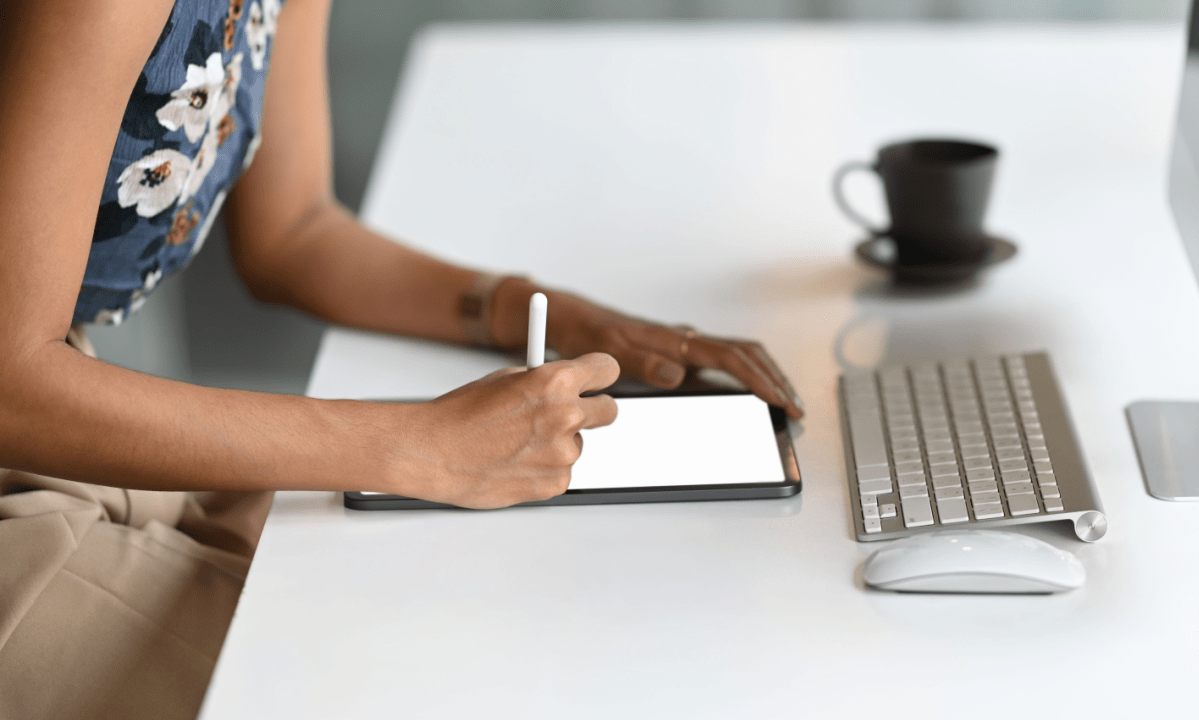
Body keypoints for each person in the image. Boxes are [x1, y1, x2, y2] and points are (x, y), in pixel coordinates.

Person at [0, 0, 803, 717]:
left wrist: (558, 315)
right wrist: (422, 445)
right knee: (412, 668)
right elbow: (13, 386)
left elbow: (294, 233)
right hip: (33, 431)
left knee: (430, 593)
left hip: (68, 417)